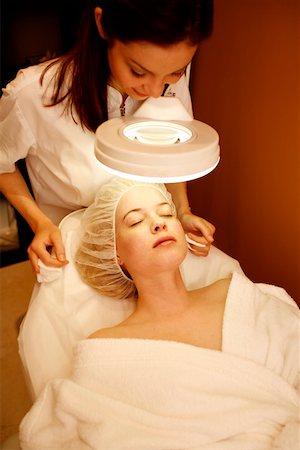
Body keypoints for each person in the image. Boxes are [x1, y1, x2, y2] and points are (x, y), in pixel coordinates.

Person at [19, 178, 299, 449]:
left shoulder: (240, 295)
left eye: (166, 213)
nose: (159, 222)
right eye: (136, 221)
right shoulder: (105, 353)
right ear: (115, 254)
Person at [0, 0, 216, 274]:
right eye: (138, 71)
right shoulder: (33, 95)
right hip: (76, 249)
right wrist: (39, 223)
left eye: (176, 72)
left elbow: (172, 153)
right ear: (102, 25)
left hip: (150, 243)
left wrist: (182, 210)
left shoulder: (167, 83)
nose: (154, 90)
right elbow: (1, 163)